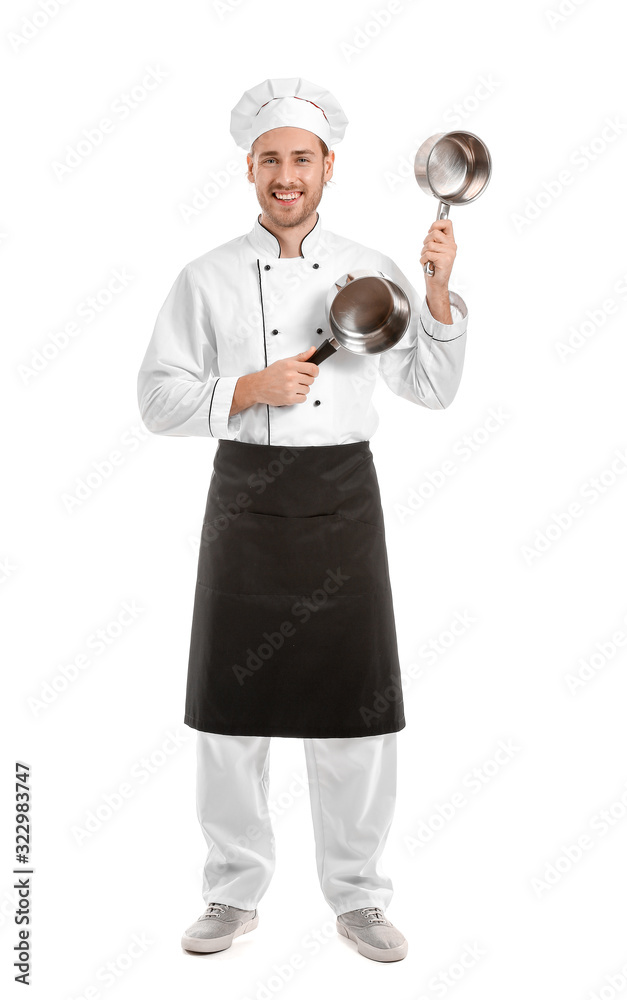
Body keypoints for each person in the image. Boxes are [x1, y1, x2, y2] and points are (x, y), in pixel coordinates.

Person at [136, 76, 468, 964]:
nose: (288, 175)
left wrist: (435, 290)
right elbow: (156, 400)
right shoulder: (203, 277)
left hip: (343, 503)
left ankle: (358, 899)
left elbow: (433, 388)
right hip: (244, 497)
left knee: (354, 711)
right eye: (272, 159)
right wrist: (244, 389)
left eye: (303, 159)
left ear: (329, 168)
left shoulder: (372, 273)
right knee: (230, 712)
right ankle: (230, 893)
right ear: (250, 168)